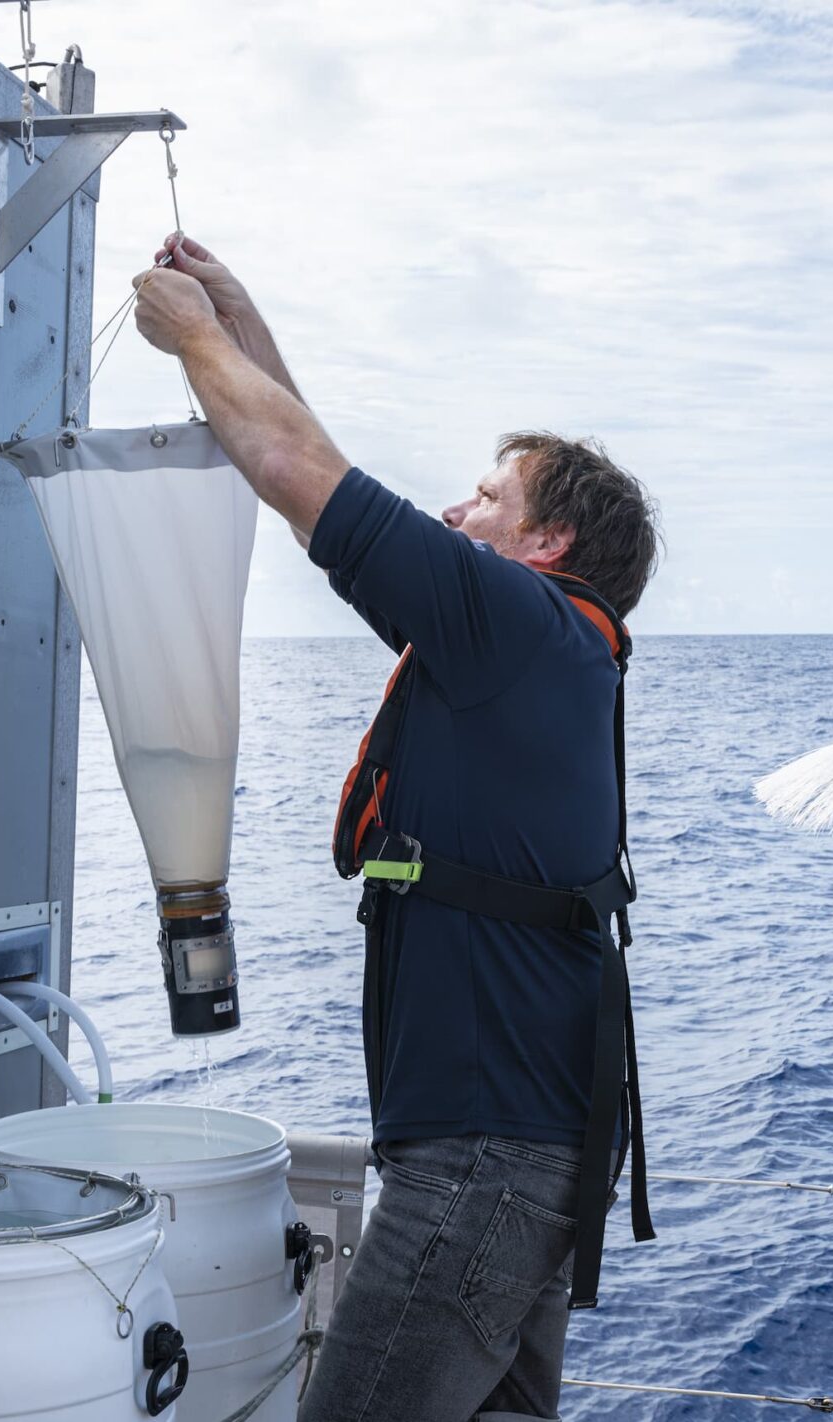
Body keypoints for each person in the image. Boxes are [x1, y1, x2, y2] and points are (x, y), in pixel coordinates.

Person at [133, 236, 662, 1422]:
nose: (450, 508)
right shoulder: (532, 652)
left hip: (480, 1171)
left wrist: (191, 339)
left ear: (546, 544)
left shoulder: (512, 624)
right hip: (535, 1160)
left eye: (485, 497)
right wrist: (238, 317)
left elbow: (293, 464)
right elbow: (319, 462)